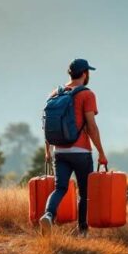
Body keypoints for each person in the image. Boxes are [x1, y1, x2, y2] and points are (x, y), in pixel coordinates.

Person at [40, 58, 108, 234]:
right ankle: (82, 230)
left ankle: (48, 215)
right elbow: (91, 126)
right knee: (85, 193)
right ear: (85, 74)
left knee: (60, 188)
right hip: (80, 151)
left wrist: (47, 150)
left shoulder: (55, 93)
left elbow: (48, 126)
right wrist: (101, 152)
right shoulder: (87, 94)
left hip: (59, 151)